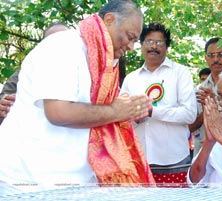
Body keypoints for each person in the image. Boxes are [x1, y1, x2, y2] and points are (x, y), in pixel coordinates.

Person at [0, 0, 155, 195]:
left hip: (72, 181)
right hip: (28, 180)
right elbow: (58, 112)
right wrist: (116, 111)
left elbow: (99, 113)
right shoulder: (64, 46)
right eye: (130, 37)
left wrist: (130, 108)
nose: (131, 47)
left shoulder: (103, 62)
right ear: (109, 20)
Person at [120, 22, 197, 186]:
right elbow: (121, 117)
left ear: (167, 47)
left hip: (174, 160)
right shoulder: (131, 78)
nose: (153, 46)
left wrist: (152, 111)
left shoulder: (180, 73)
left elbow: (189, 114)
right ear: (141, 45)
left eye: (159, 42)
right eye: (149, 41)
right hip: (140, 159)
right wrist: (134, 117)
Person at [0, 22, 69, 125]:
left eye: (64, 40)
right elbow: (5, 100)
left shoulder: (86, 72)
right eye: (53, 40)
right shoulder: (25, 73)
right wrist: (3, 105)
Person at [189, 37, 222, 156]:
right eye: (211, 55)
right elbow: (190, 127)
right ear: (206, 58)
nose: (216, 59)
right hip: (204, 152)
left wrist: (217, 102)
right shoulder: (198, 90)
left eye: (221, 54)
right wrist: (208, 109)